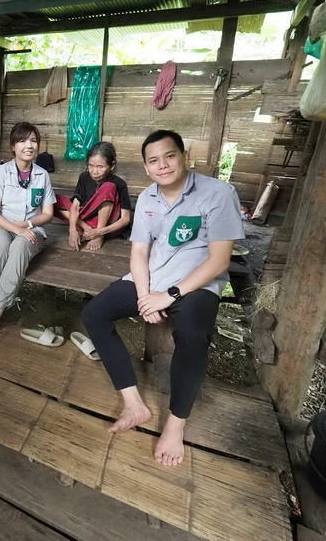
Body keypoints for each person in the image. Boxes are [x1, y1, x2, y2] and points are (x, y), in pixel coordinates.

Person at [81, 130, 244, 467]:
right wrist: (144, 296)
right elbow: (139, 253)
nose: (163, 165)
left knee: (193, 334)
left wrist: (168, 296)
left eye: (169, 156)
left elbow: (220, 261)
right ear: (146, 167)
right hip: (153, 280)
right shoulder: (147, 199)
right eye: (154, 160)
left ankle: (175, 423)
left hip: (196, 285)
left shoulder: (218, 193)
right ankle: (133, 404)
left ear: (184, 156)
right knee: (94, 313)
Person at [0, 122, 56, 336]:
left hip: (31, 230)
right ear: (12, 146)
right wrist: (15, 229)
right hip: (2, 225)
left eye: (33, 141)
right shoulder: (1, 172)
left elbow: (48, 214)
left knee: (19, 248)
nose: (29, 145)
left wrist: (26, 225)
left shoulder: (42, 175)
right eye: (22, 141)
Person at [54, 141, 132, 251]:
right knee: (53, 200)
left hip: (108, 226)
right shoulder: (84, 177)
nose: (94, 171)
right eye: (91, 165)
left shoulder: (119, 183)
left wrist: (99, 232)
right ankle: (86, 230)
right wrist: (72, 230)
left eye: (100, 167)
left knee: (108, 187)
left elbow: (125, 219)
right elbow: (75, 206)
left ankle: (98, 236)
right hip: (86, 221)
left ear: (112, 166)